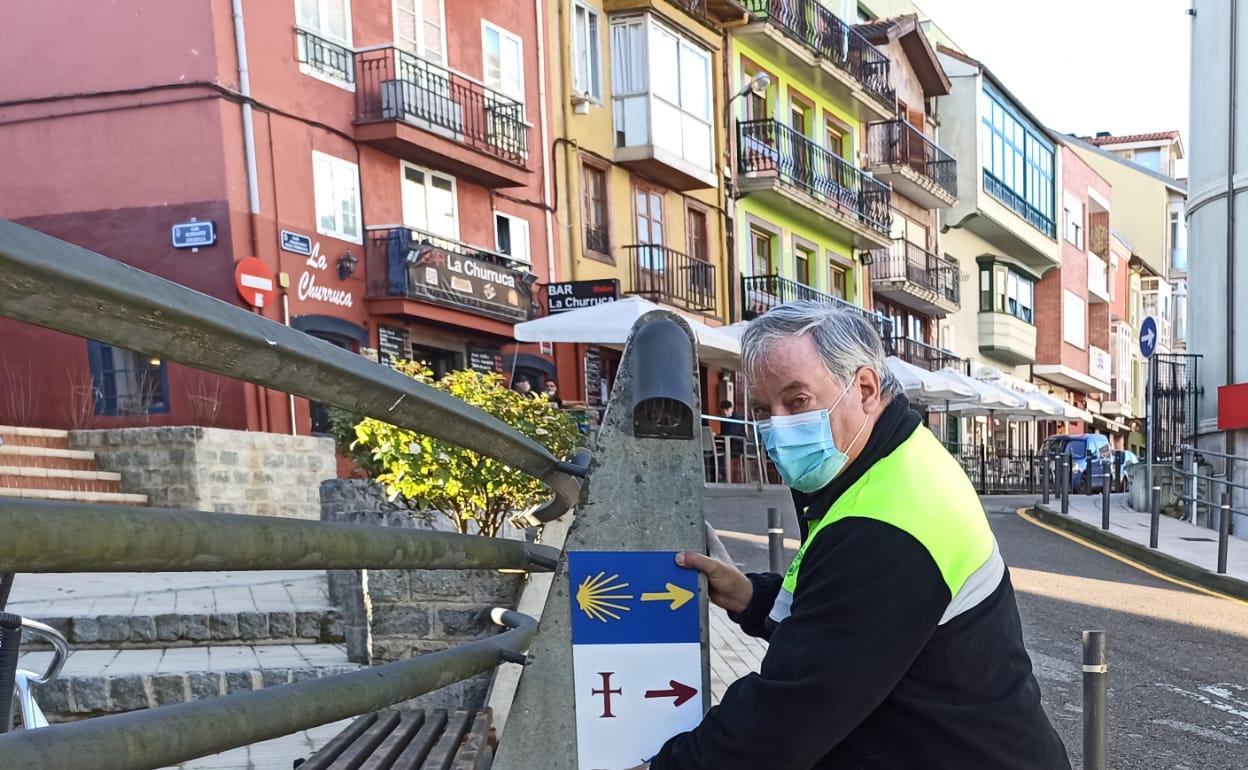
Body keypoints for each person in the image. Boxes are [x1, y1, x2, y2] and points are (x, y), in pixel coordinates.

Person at [604, 301, 1070, 770]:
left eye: (798, 400)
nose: (779, 426)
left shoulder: (885, 524)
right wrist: (751, 596)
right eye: (765, 409)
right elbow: (842, 623)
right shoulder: (893, 459)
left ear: (865, 388)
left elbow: (787, 717)